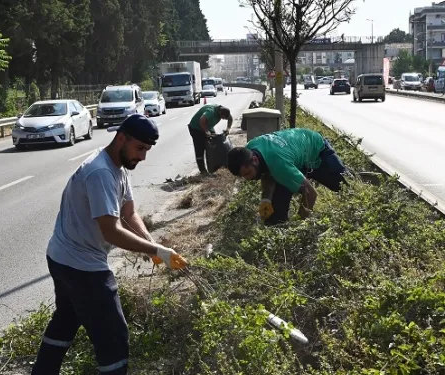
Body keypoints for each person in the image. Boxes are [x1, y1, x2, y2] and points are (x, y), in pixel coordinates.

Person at [31, 114, 188, 375]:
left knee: (67, 318)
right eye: (140, 148)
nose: (143, 156)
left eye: (147, 150)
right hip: (80, 265)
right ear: (122, 138)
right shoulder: (101, 173)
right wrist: (157, 250)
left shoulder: (117, 168)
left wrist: (152, 245)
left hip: (61, 257)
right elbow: (112, 231)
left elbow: (129, 214)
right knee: (114, 336)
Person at [227, 128, 347, 225]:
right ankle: (278, 230)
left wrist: (300, 227)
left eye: (247, 173)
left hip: (317, 150)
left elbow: (310, 193)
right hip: (292, 158)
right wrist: (266, 199)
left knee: (347, 188)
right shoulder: (250, 148)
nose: (247, 178)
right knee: (275, 217)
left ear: (254, 159)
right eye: (243, 176)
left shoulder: (279, 166)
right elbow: (266, 173)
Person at [188, 104, 233, 174]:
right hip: (196, 128)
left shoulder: (224, 111)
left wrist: (228, 129)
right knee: (200, 148)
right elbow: (202, 120)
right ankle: (203, 171)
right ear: (220, 113)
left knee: (215, 143)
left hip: (207, 126)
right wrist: (206, 131)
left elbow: (230, 118)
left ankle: (217, 165)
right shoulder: (211, 112)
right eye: (223, 118)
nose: (223, 119)